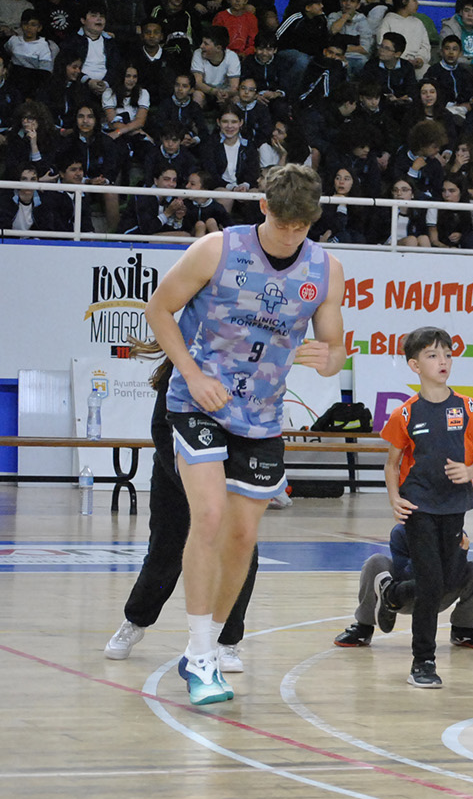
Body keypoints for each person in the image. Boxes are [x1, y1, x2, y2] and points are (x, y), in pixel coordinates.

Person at [144, 163, 346, 705]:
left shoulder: (326, 269)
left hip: (261, 416)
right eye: (282, 224)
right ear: (264, 208)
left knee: (241, 536)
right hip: (198, 403)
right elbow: (158, 309)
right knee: (206, 518)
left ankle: (204, 645)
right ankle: (201, 655)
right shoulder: (216, 248)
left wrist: (327, 360)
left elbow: (335, 350)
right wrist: (191, 374)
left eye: (301, 227)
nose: (290, 234)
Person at [104, 343, 258, 673]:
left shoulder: (248, 372)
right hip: (176, 476)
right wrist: (190, 483)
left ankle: (226, 643)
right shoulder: (184, 367)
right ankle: (135, 621)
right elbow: (161, 429)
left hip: (228, 478)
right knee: (165, 554)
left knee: (241, 554)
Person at [379, 326, 473, 688]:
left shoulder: (468, 406)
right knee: (431, 584)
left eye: (446, 354)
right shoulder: (405, 414)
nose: (442, 361)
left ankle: (393, 593)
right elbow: (392, 464)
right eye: (432, 355)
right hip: (418, 507)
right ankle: (423, 661)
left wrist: (470, 470)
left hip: (454, 506)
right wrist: (395, 499)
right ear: (414, 365)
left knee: (446, 581)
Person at [333, 525, 473, 649]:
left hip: (441, 594)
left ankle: (463, 630)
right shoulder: (401, 531)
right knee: (376, 562)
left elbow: (453, 579)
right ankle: (364, 626)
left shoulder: (456, 533)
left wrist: (460, 553)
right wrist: (429, 550)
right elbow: (406, 575)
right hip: (404, 595)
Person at [376, 0, 429, 71]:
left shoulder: (418, 23)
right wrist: (401, 59)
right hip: (393, 63)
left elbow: (425, 46)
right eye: (414, 0)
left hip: (416, 65)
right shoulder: (388, 20)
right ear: (404, 1)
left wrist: (420, 59)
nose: (417, 3)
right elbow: (382, 44)